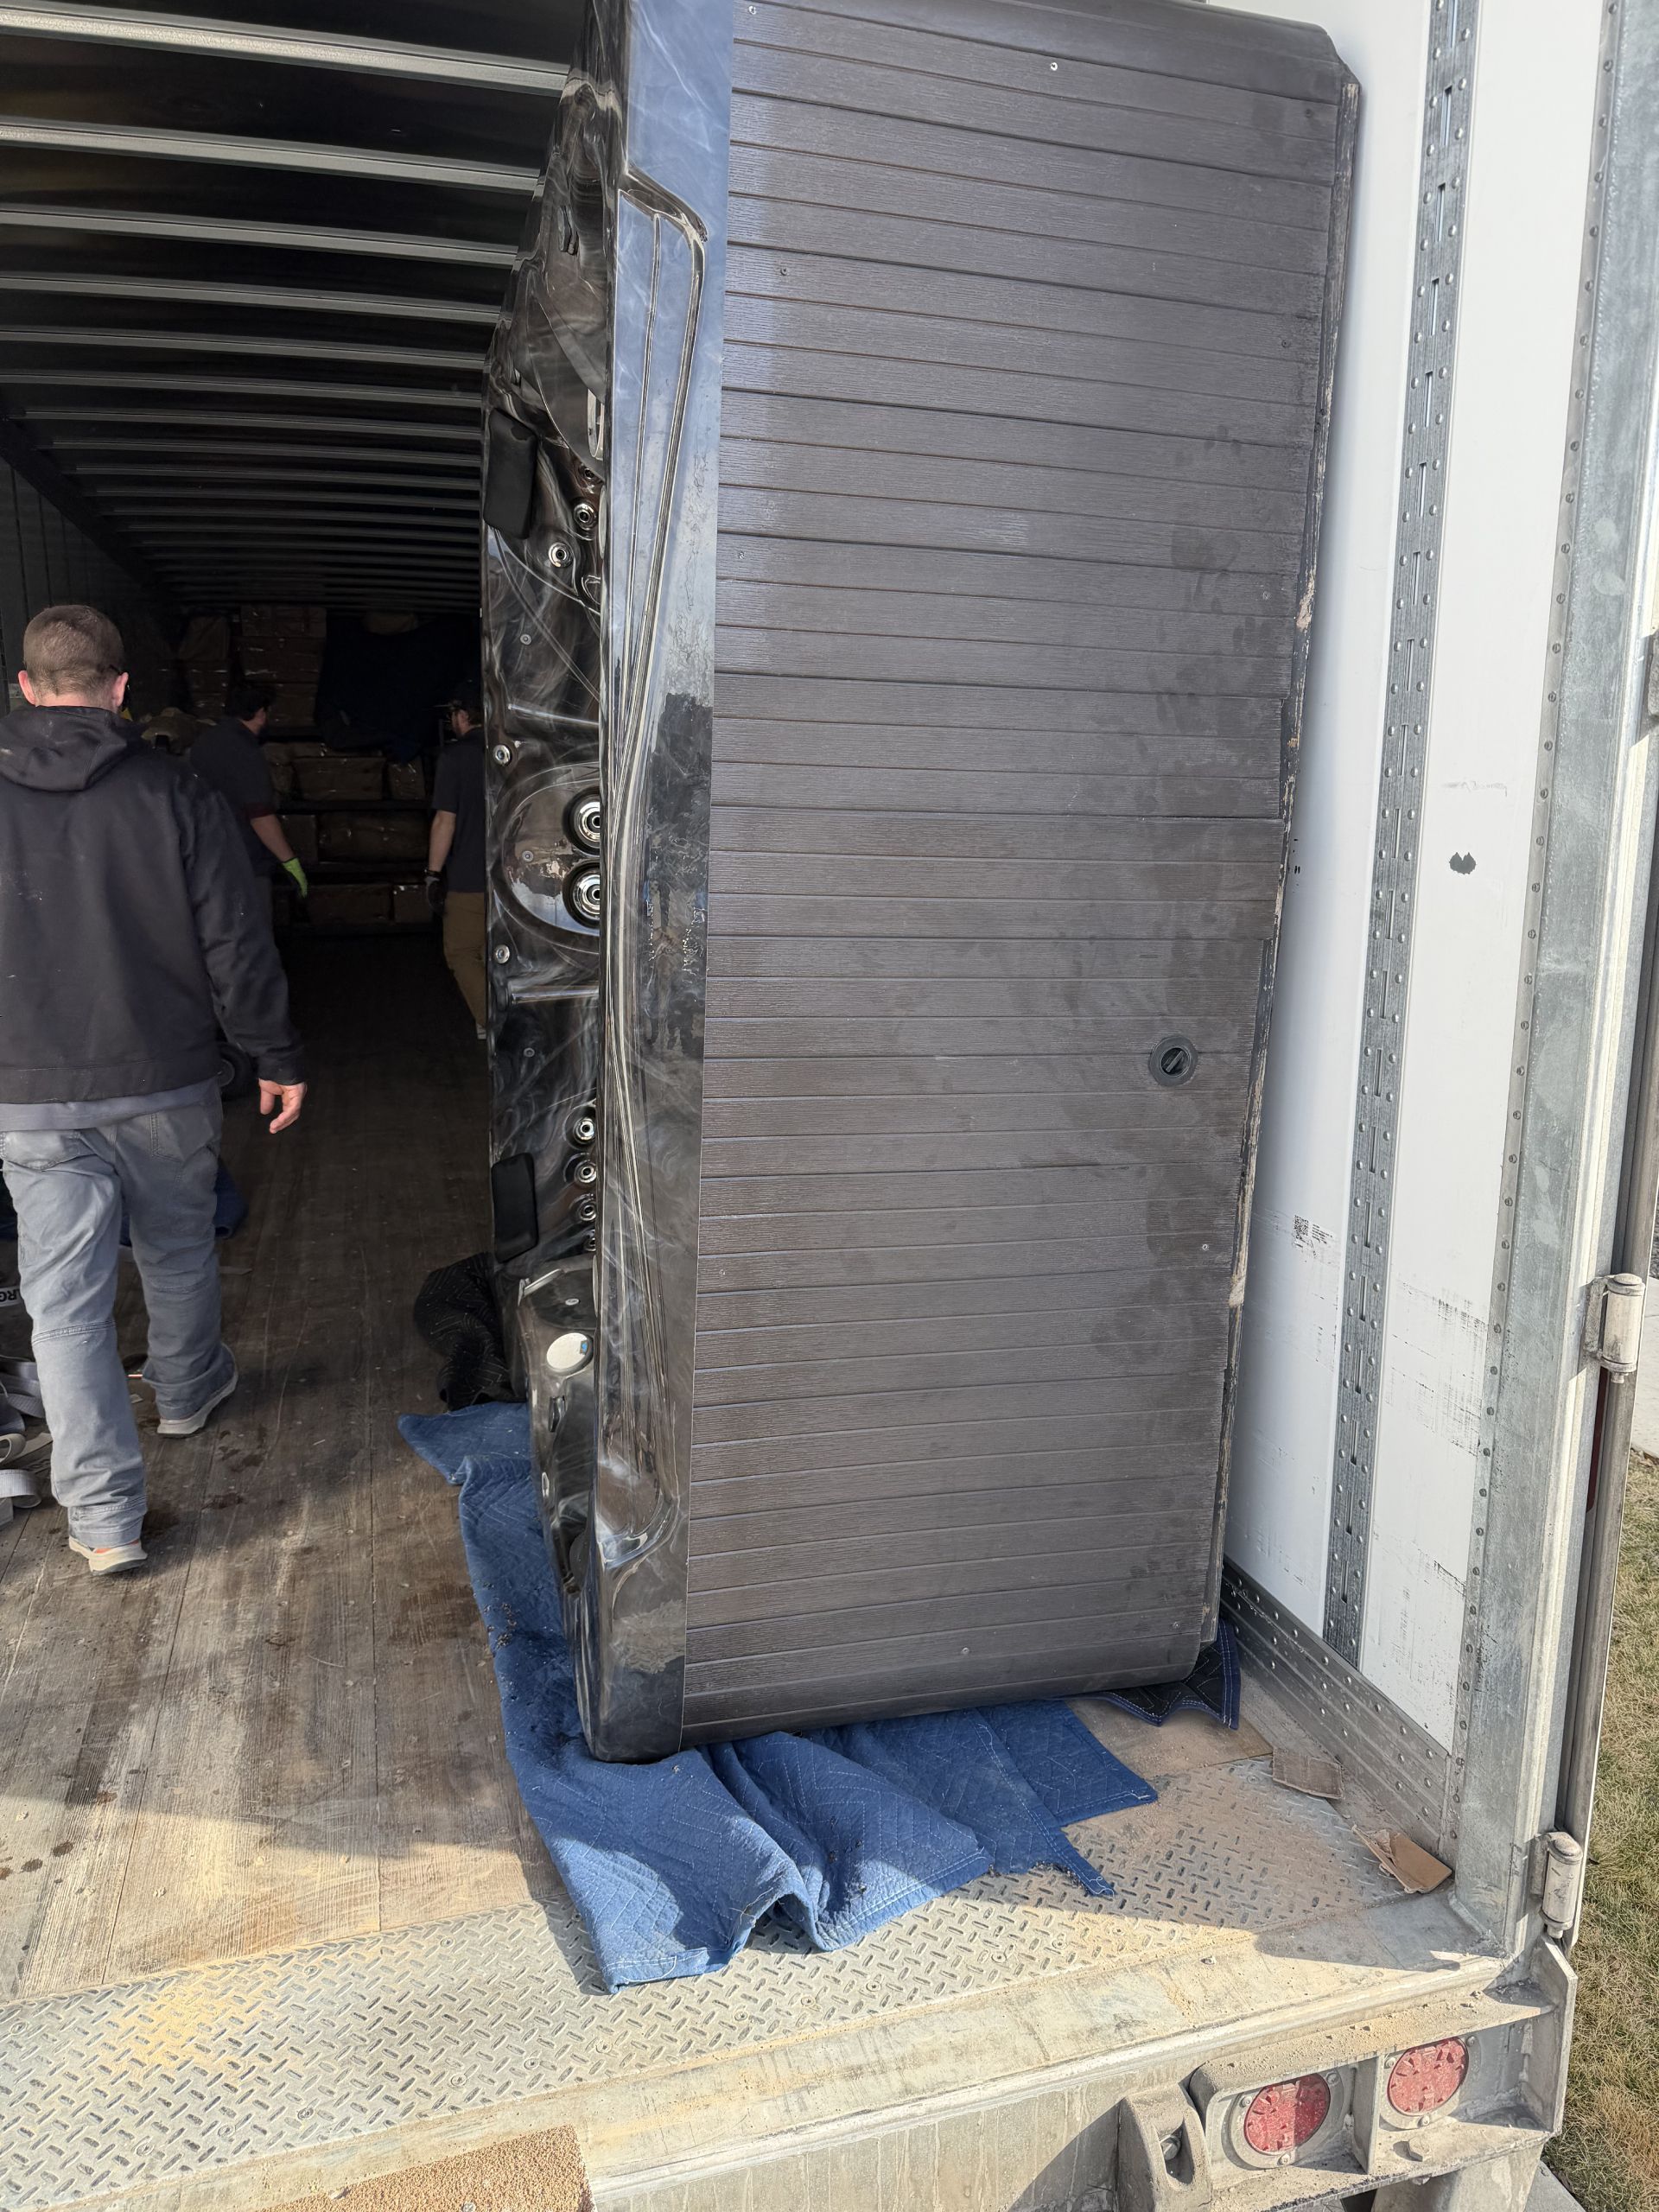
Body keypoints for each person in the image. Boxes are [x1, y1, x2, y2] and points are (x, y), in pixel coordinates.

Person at [0, 606, 306, 1574]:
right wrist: (276, 1055)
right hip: (167, 1078)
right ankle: (185, 1392)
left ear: (25, 688)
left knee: (65, 1303)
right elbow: (235, 942)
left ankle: (103, 1522)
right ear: (122, 688)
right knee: (176, 1250)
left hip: (31, 1095)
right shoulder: (176, 793)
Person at [188, 678, 308, 904]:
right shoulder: (245, 751)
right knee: (253, 935)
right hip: (244, 865)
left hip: (207, 861)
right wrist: (289, 862)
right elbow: (260, 815)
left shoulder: (204, 743)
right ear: (261, 713)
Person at [426, 680, 488, 1034]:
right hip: (517, 878)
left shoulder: (455, 757)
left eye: (453, 714)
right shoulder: (513, 751)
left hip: (469, 876)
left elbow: (444, 821)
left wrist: (432, 873)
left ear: (464, 715)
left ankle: (494, 1022)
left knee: (463, 952)